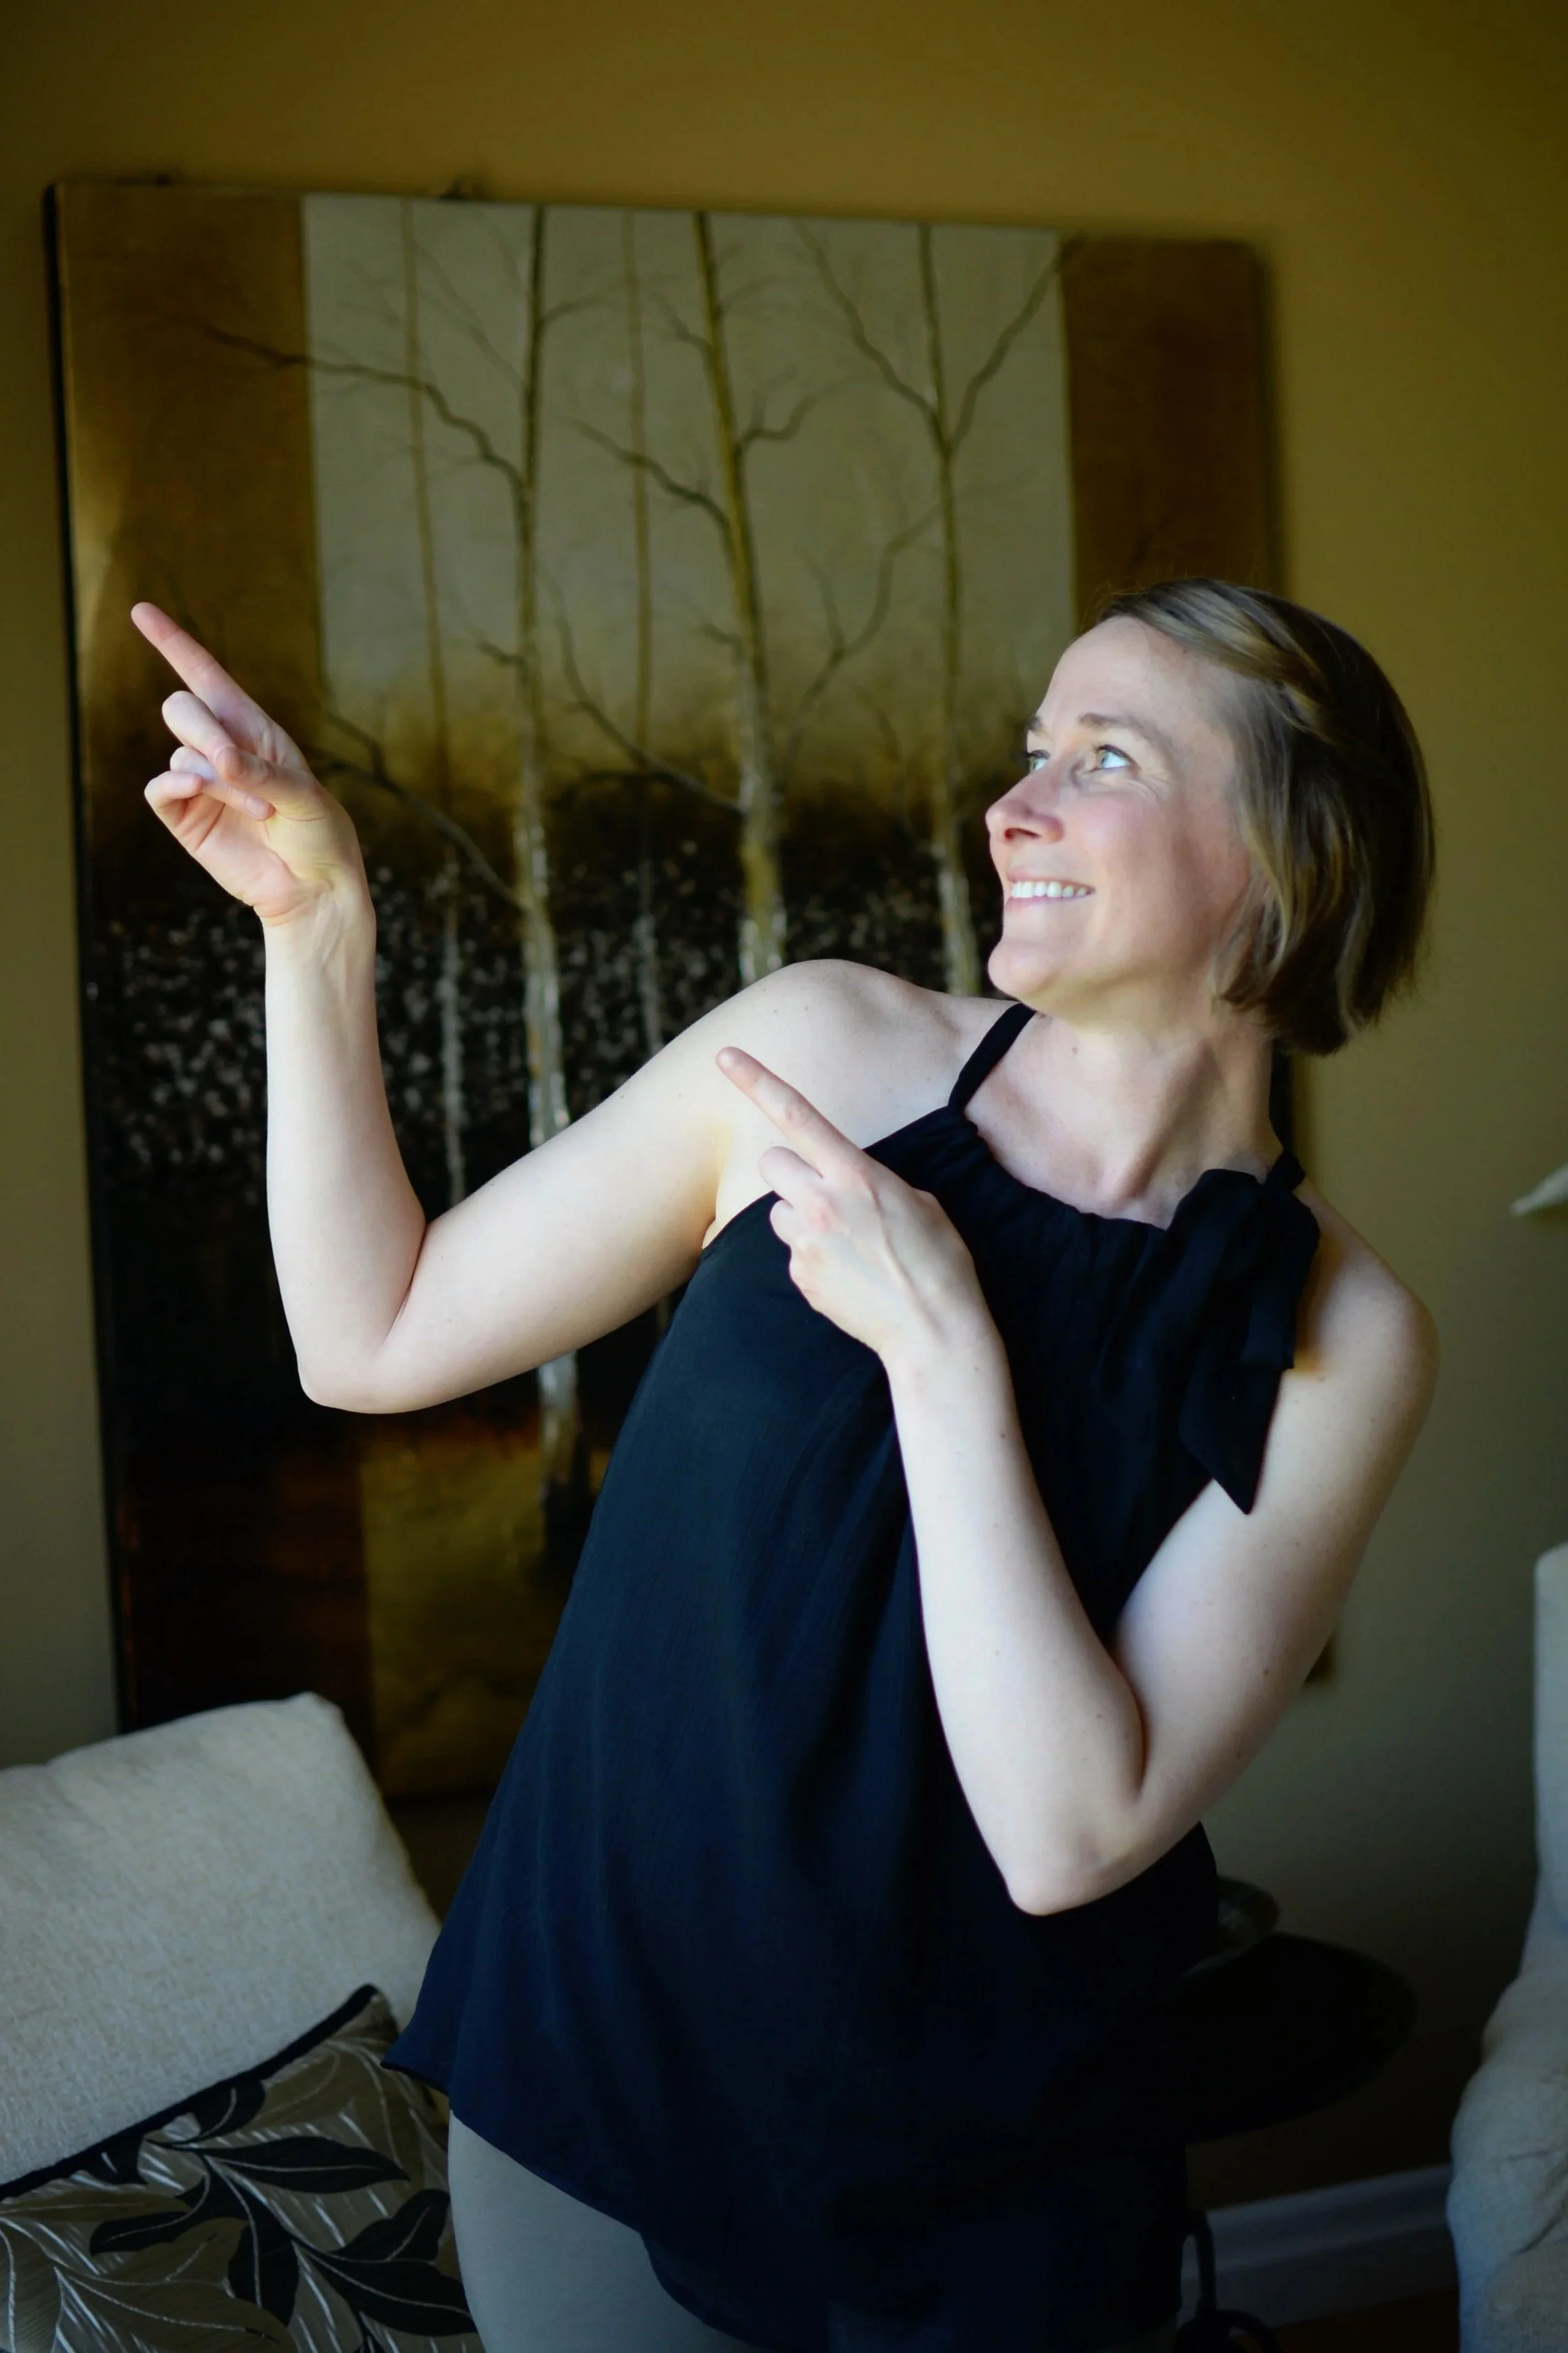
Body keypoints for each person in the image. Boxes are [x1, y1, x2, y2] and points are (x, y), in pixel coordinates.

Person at [133, 578, 1438, 2353]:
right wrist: (316, 917)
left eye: (1105, 758)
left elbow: (1073, 1832)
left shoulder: (1343, 1335)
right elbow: (372, 1331)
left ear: (1291, 853)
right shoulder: (818, 1053)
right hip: (605, 2084)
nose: (1015, 804)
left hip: (1003, 2193)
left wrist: (945, 1351)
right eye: (1031, 749)